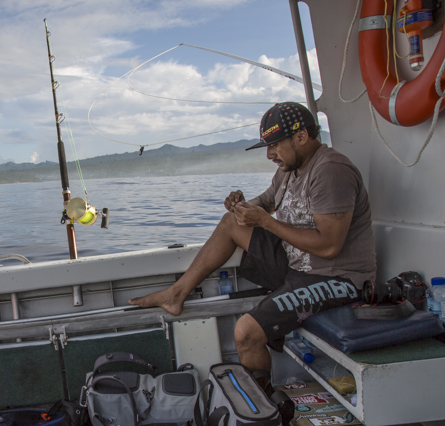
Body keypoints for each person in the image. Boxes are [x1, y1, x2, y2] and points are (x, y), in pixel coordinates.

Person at [130, 102, 375, 376]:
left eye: (275, 145)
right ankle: (177, 293)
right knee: (230, 224)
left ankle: (263, 408)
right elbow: (267, 202)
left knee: (246, 333)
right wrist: (242, 207)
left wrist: (266, 222)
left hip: (337, 279)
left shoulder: (331, 171)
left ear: (302, 137)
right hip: (298, 266)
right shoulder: (288, 170)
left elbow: (330, 247)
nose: (270, 154)